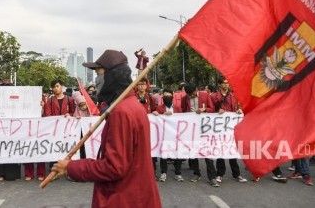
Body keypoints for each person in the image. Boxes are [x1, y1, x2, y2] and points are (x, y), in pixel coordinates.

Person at [52, 50, 162, 208]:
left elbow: (114, 167)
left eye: (99, 73)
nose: (96, 80)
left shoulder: (122, 112)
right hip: (134, 196)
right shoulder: (130, 106)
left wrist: (71, 167)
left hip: (123, 198)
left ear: (113, 76)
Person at [211, 78, 247, 184]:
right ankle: (219, 174)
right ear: (219, 85)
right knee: (221, 151)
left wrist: (239, 110)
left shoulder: (233, 96)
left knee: (232, 151)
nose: (226, 85)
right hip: (219, 128)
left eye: (227, 83)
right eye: (224, 83)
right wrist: (217, 112)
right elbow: (210, 110)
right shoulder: (213, 97)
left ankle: (236, 174)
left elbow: (237, 108)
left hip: (231, 128)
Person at [182, 82, 219, 187]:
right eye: (188, 95)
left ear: (196, 89)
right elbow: (183, 111)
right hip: (192, 129)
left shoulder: (205, 95)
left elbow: (212, 109)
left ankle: (212, 177)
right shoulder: (185, 98)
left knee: (207, 153)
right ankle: (196, 173)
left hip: (204, 129)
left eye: (192, 94)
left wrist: (204, 110)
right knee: (193, 153)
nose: (190, 96)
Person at [152, 89, 184, 182]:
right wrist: (159, 114)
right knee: (164, 155)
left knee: (178, 154)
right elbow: (156, 119)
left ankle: (178, 173)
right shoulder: (159, 108)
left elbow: (182, 120)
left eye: (169, 96)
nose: (167, 98)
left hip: (176, 135)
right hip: (164, 135)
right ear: (163, 98)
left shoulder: (178, 109)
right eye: (165, 97)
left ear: (172, 97)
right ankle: (163, 173)